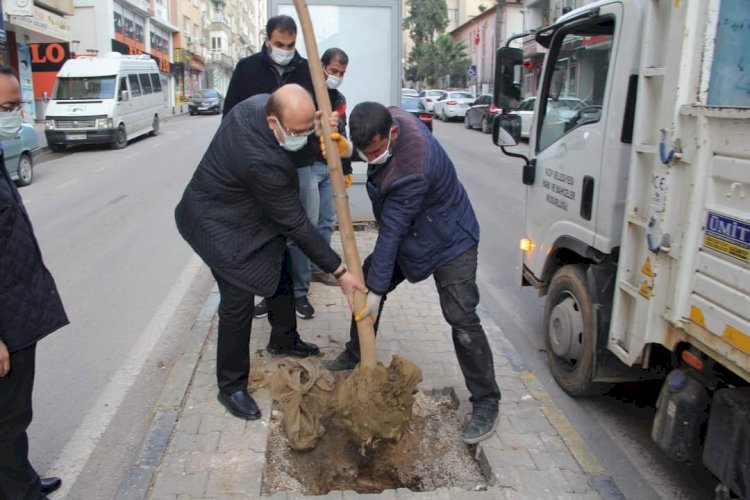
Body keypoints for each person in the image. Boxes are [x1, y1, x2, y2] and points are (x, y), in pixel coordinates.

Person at [175, 84, 366, 420]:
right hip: (212, 221)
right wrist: (340, 272)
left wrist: (318, 127)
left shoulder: (258, 103)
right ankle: (231, 385)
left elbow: (294, 139)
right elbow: (296, 223)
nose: (302, 137)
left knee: (280, 267)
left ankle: (284, 339)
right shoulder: (260, 161)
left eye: (306, 129)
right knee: (237, 299)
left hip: (246, 208)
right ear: (272, 122)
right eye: (297, 131)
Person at [323, 101, 502, 444]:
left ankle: (486, 401)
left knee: (461, 318)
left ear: (392, 133)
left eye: (374, 151)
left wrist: (375, 293)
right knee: (369, 277)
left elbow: (391, 231)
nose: (370, 157)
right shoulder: (390, 117)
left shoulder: (412, 167)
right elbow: (393, 225)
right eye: (363, 151)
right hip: (413, 235)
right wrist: (347, 151)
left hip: (451, 240)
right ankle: (356, 352)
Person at [222, 14, 321, 320]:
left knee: (302, 231)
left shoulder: (308, 70)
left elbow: (320, 114)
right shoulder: (247, 69)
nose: (285, 50)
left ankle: (300, 294)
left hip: (299, 164)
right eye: (279, 44)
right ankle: (269, 295)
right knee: (265, 234)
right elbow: (230, 117)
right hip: (259, 167)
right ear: (267, 40)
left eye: (290, 45)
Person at [0, 65, 65, 499]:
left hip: (16, 306)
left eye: (18, 104)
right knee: (6, 419)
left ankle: (20, 478)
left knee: (14, 413)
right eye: (7, 107)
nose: (17, 113)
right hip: (5, 323)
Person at [302, 47, 354, 290]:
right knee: (308, 223)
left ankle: (319, 269)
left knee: (326, 221)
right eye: (333, 70)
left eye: (342, 72)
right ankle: (300, 281)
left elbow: (341, 135)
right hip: (309, 166)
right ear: (321, 66)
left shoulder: (340, 99)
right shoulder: (306, 93)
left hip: (330, 168)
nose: (337, 75)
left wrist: (346, 168)